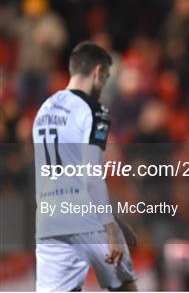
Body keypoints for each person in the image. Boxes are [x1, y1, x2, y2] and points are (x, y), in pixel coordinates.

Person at [33, 42, 137, 291]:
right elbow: (90, 175)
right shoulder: (94, 111)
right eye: (106, 78)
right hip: (87, 218)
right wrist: (110, 227)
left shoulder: (43, 110)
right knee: (123, 288)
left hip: (49, 220)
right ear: (98, 71)